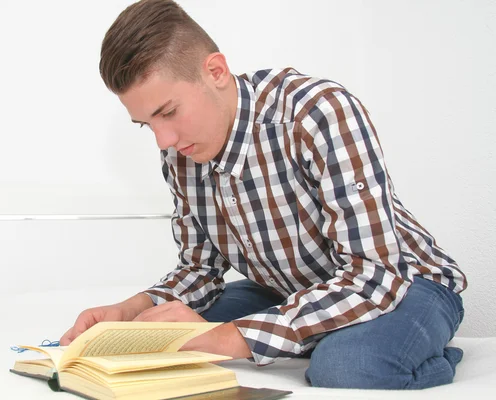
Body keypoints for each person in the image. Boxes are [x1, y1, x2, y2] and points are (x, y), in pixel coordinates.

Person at [60, 0, 467, 390]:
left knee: (345, 365)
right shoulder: (179, 152)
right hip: (288, 288)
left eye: (168, 112)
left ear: (216, 71)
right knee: (153, 333)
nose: (163, 139)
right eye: (146, 124)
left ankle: (415, 358)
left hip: (403, 283)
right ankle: (310, 334)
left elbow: (374, 275)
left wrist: (222, 339)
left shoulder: (316, 112)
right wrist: (130, 310)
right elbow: (199, 271)